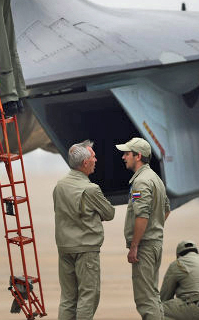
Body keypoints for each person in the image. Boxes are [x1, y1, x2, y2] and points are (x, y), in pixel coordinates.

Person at [53, 140, 115, 320]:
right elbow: (109, 213)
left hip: (65, 248)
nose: (96, 160)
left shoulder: (60, 186)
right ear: (85, 163)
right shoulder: (90, 189)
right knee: (89, 296)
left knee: (68, 298)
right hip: (86, 249)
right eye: (93, 157)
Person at [117, 137, 170, 320]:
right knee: (153, 296)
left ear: (138, 156)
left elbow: (142, 215)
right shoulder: (156, 179)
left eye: (127, 154)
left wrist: (135, 245)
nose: (123, 157)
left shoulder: (141, 182)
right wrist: (155, 228)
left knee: (145, 300)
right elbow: (166, 210)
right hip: (154, 243)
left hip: (145, 247)